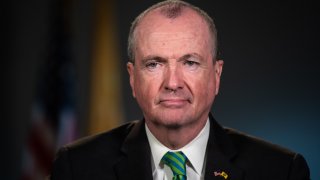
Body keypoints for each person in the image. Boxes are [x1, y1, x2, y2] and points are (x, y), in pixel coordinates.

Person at [50, 0, 310, 179]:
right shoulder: (77, 168)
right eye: (154, 64)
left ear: (216, 76)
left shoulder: (281, 171)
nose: (173, 83)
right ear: (132, 78)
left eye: (190, 63)